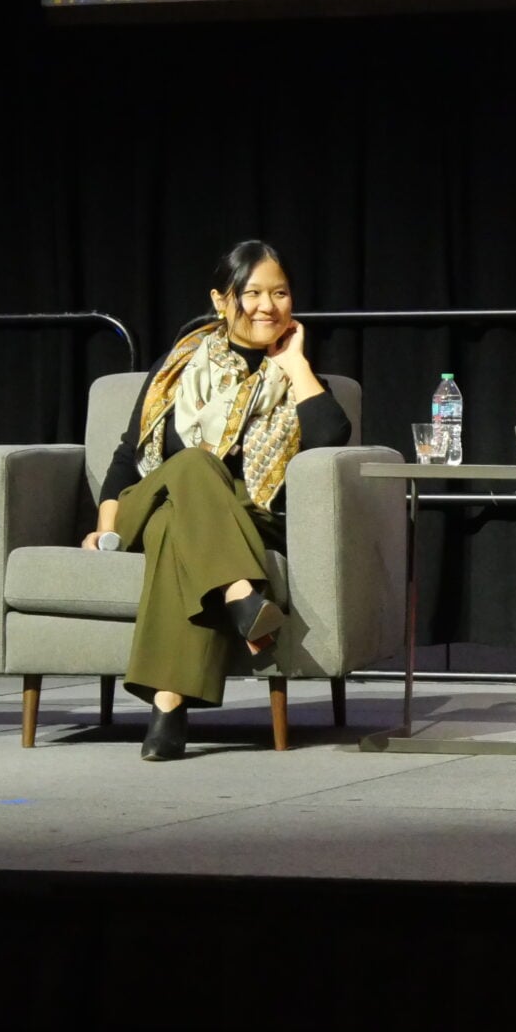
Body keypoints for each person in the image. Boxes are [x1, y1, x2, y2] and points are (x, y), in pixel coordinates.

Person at [86, 240, 351, 762]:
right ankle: (241, 593)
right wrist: (105, 527)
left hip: (239, 520)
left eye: (280, 293)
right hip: (147, 500)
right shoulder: (180, 364)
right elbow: (127, 454)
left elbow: (331, 439)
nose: (266, 306)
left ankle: (168, 705)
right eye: (251, 293)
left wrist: (295, 365)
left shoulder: (293, 374)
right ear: (221, 299)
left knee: (173, 533)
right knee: (188, 464)